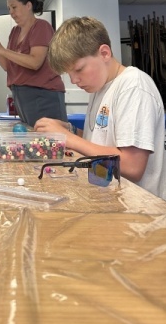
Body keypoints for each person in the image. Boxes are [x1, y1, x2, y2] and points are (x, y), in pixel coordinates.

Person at [34, 16, 165, 200]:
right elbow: (102, 141)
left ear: (104, 53)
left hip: (139, 208)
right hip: (109, 197)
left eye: (78, 69)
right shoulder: (100, 88)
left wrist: (69, 139)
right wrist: (70, 131)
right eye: (69, 74)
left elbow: (132, 166)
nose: (74, 80)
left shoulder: (133, 86)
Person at [0, 0, 67, 127]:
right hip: (21, 94)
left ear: (28, 5)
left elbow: (35, 62)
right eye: (9, 9)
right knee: (31, 135)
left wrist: (2, 50)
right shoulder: (15, 32)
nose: (11, 12)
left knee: (49, 135)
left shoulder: (41, 27)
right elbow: (7, 66)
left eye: (14, 7)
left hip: (43, 94)